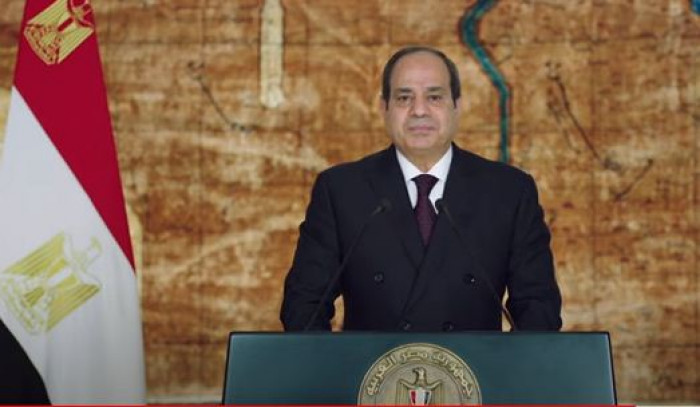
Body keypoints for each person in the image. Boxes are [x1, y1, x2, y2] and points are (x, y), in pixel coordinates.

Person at [280, 46, 562, 332]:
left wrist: (506, 362)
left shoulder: (508, 191)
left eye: (434, 97)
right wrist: (337, 361)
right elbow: (303, 306)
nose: (419, 111)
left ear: (457, 105)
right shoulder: (341, 190)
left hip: (475, 362)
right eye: (404, 98)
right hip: (372, 362)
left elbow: (538, 308)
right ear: (384, 108)